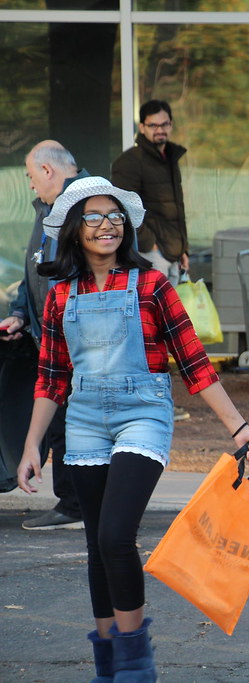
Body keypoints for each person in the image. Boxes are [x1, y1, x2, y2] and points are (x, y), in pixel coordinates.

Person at [16, 176, 249, 682]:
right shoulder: (59, 296)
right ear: (74, 229)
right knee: (97, 544)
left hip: (143, 415)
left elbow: (195, 364)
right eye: (93, 217)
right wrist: (31, 445)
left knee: (116, 536)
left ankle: (137, 666)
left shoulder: (153, 286)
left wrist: (240, 430)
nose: (106, 225)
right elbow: (51, 378)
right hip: (85, 420)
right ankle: (109, 666)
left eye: (114, 216)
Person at [0, 140, 87, 530]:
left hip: (77, 341)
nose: (31, 186)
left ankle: (76, 505)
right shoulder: (48, 209)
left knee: (68, 423)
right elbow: (35, 271)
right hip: (47, 338)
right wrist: (20, 314)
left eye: (32, 178)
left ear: (48, 171)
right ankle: (74, 502)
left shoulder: (90, 205)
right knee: (56, 422)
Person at [112, 99, 191, 421]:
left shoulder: (169, 157)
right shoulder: (129, 162)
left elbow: (176, 208)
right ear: (141, 127)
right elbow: (125, 209)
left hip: (171, 252)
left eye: (164, 124)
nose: (160, 130)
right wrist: (152, 246)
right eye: (153, 125)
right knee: (146, 328)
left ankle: (159, 398)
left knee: (164, 329)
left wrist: (182, 247)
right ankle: (145, 399)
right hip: (150, 255)